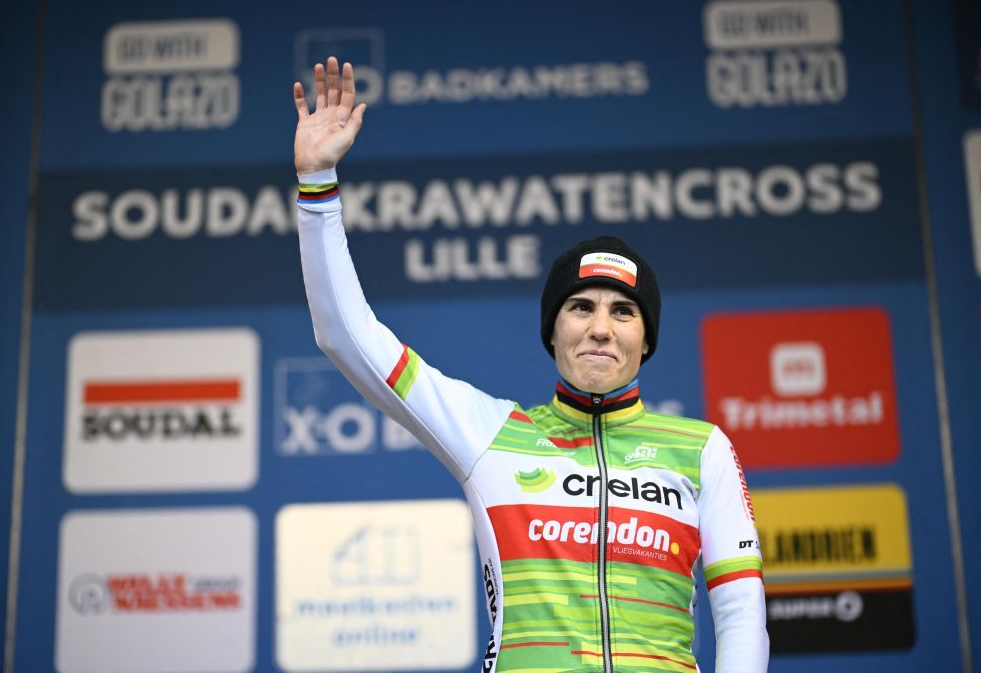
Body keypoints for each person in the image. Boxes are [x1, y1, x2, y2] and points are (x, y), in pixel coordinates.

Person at [293, 57, 769, 673]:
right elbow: (347, 337)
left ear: (646, 339)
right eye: (580, 307)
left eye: (624, 312)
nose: (601, 327)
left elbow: (740, 612)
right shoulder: (491, 435)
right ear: (553, 330)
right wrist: (317, 187)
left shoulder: (701, 449)